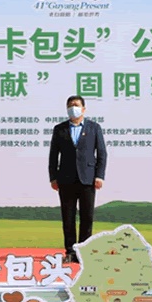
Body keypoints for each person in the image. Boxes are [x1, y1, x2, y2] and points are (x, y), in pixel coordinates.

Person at [48, 95, 107, 263]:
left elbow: (102, 153)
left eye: (76, 105)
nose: (73, 108)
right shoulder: (59, 129)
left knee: (87, 217)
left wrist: (99, 175)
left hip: (88, 178)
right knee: (68, 217)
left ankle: (84, 251)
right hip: (65, 179)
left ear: (83, 109)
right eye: (70, 105)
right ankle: (70, 251)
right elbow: (53, 155)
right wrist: (53, 177)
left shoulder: (94, 128)